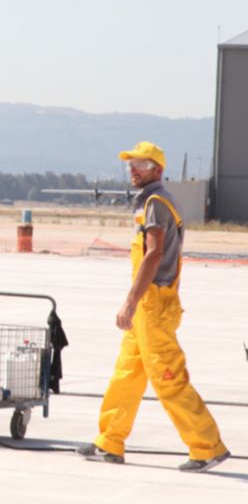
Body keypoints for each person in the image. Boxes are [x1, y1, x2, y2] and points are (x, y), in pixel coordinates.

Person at [77, 142, 229, 472]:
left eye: (141, 164)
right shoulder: (148, 201)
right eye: (130, 164)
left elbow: (153, 254)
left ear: (157, 170)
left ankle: (207, 446)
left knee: (168, 377)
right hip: (148, 303)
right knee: (127, 372)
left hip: (153, 305)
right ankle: (110, 441)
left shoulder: (156, 204)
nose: (133, 169)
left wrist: (130, 302)